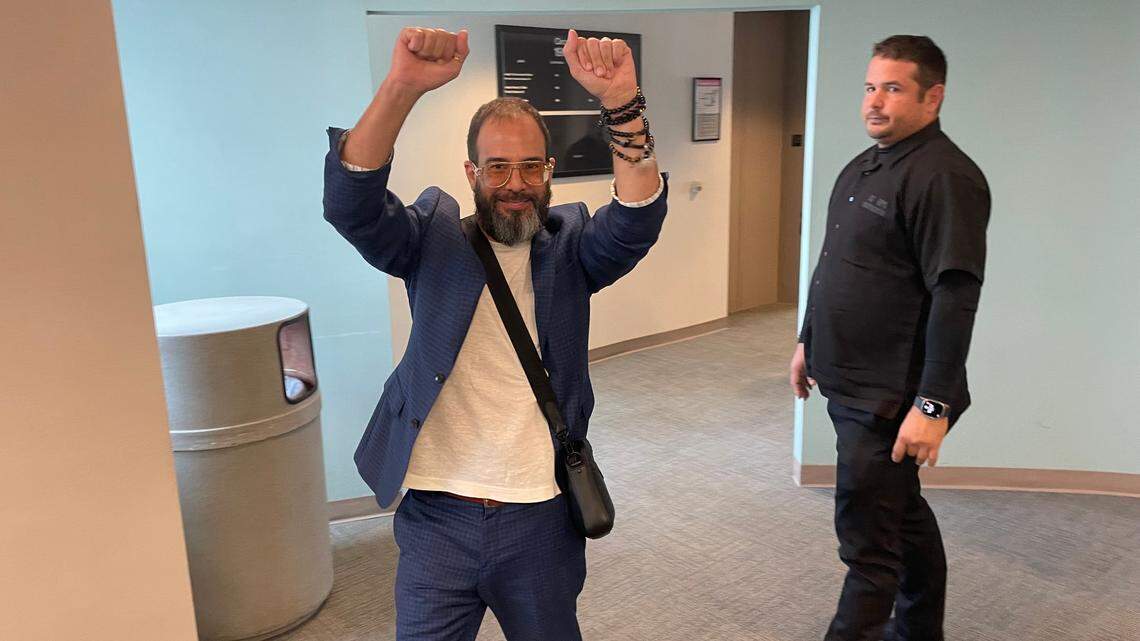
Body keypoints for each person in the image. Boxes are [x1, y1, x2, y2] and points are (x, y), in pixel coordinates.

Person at [323, 26, 666, 641]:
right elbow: (351, 205)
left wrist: (623, 103)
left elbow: (637, 220)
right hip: (436, 514)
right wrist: (402, 85)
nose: (514, 183)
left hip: (539, 514)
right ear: (471, 170)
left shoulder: (573, 247)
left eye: (530, 166)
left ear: (549, 169)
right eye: (498, 167)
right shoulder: (432, 236)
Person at [789, 35, 990, 641]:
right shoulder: (866, 164)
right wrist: (807, 341)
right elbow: (833, 263)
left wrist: (933, 405)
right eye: (871, 87)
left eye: (893, 88)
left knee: (868, 545)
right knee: (899, 517)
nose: (875, 101)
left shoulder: (946, 176)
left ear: (934, 96)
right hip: (847, 379)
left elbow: (955, 294)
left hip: (889, 396)